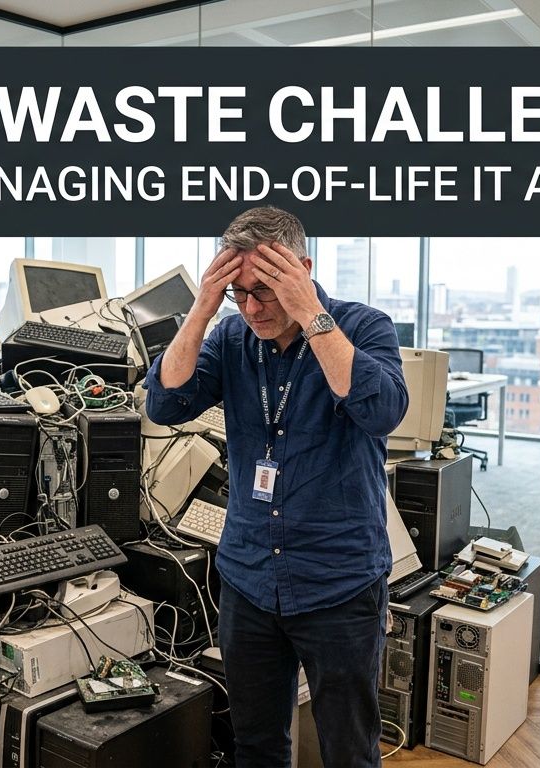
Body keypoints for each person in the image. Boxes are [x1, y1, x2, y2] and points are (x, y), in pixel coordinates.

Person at [145, 206, 407, 767]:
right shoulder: (231, 335)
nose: (252, 307)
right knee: (257, 746)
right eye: (238, 293)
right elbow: (166, 402)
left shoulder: (364, 326)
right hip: (250, 580)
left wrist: (309, 312)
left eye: (264, 291)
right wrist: (202, 309)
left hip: (338, 582)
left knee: (349, 752)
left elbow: (381, 409)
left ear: (301, 269)